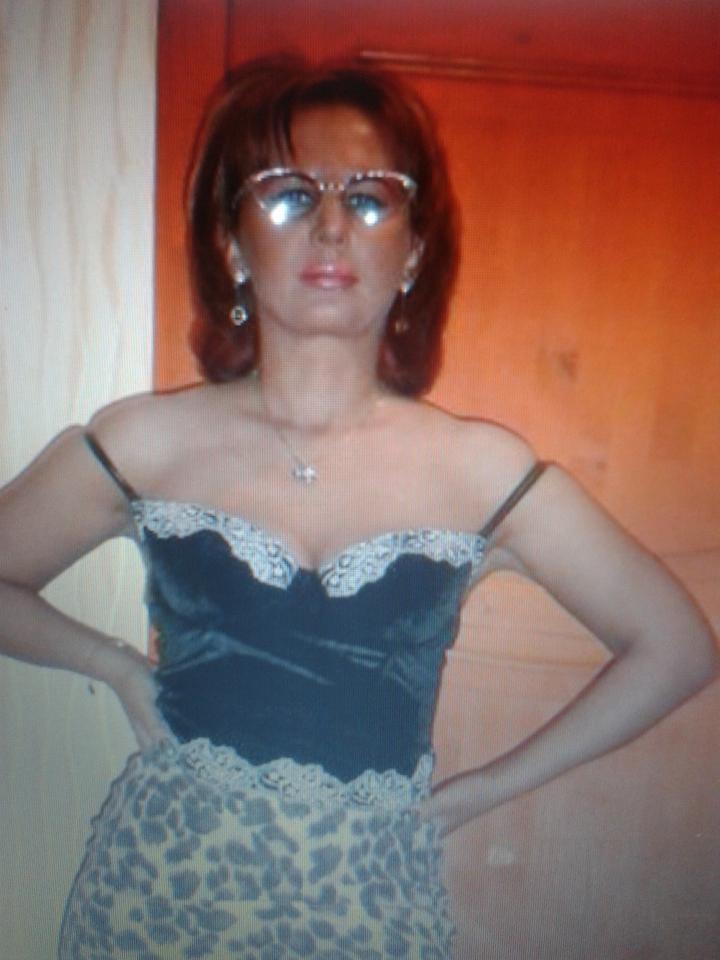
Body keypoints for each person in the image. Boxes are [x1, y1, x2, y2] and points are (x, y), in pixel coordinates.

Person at [0, 54, 716, 960]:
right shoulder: (146, 442)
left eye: (371, 198)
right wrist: (109, 664)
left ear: (413, 253)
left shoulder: (481, 471)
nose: (332, 225)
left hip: (368, 912)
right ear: (231, 245)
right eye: (289, 194)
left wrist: (481, 792)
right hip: (156, 899)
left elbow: (677, 648)